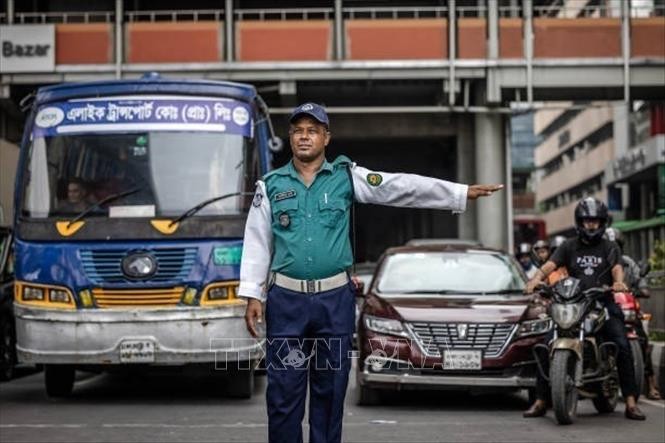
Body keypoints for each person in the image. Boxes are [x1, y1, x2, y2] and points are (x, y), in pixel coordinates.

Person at [238, 102, 503, 443]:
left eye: (312, 131)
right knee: (283, 394)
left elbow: (400, 187)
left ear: (326, 138)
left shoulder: (347, 177)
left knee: (330, 392)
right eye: (298, 131)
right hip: (286, 301)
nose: (305, 137)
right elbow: (258, 241)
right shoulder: (270, 185)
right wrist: (252, 295)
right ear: (290, 138)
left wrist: (458, 193)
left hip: (333, 301)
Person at [523, 197, 646, 420]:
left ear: (602, 223)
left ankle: (630, 401)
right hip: (574, 303)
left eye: (596, 221)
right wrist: (535, 279)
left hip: (603, 303)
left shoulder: (609, 247)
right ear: (580, 222)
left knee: (622, 344)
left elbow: (617, 269)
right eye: (587, 220)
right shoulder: (568, 246)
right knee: (545, 342)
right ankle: (541, 400)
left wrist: (618, 283)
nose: (591, 225)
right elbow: (550, 265)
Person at [604, 227, 661, 401]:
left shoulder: (628, 262)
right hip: (607, 309)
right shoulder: (601, 262)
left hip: (628, 308)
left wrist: (642, 288)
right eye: (610, 245)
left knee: (643, 339)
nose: (614, 248)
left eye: (617, 245)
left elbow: (640, 279)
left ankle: (650, 385)